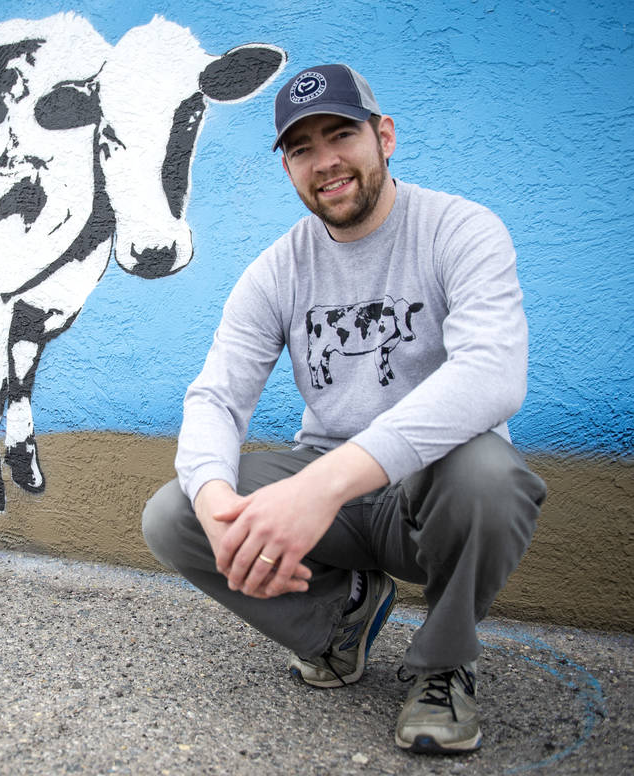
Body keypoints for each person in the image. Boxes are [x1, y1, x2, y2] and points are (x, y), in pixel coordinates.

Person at [142, 63, 547, 754]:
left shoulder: (459, 230)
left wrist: (322, 485)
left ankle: (443, 667)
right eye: (301, 148)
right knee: (174, 514)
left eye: (340, 135)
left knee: (488, 473)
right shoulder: (278, 267)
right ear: (288, 168)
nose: (324, 161)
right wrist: (216, 505)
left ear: (382, 136)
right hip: (330, 493)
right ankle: (340, 623)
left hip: (428, 492)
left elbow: (492, 375)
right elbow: (216, 395)